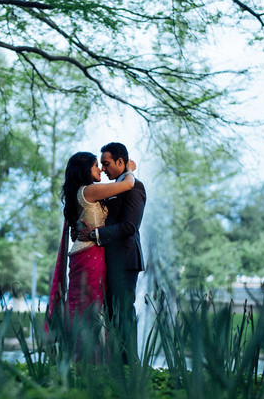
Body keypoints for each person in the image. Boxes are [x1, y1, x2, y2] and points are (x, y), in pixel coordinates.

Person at [77, 142, 146, 363]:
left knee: (123, 312)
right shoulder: (117, 186)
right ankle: (115, 362)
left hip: (124, 260)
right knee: (111, 314)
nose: (104, 169)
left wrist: (95, 235)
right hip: (106, 261)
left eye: (106, 164)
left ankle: (129, 364)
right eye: (101, 165)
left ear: (120, 162)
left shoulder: (135, 187)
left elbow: (129, 226)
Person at [48, 151, 136, 322]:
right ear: (85, 169)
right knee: (89, 309)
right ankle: (86, 347)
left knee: (82, 306)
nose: (101, 170)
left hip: (84, 252)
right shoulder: (90, 190)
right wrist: (130, 170)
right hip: (89, 254)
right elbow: (128, 185)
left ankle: (77, 346)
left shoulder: (80, 192)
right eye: (96, 165)